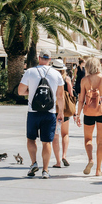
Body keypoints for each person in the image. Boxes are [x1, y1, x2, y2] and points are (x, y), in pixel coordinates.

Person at [18, 50, 64, 179]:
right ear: (50, 59)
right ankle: (45, 170)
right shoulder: (56, 74)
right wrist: (60, 112)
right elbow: (60, 96)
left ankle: (33, 163)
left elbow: (20, 91)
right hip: (50, 113)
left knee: (31, 139)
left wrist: (31, 91)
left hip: (33, 112)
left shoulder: (30, 72)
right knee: (47, 142)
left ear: (39, 58)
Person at [75, 57, 102, 176]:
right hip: (101, 111)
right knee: (100, 140)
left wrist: (78, 114)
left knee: (88, 139)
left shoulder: (84, 80)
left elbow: (81, 99)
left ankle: (90, 160)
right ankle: (98, 170)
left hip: (88, 111)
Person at [50, 59, 73, 169]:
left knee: (55, 136)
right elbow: (71, 94)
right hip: (64, 109)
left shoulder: (50, 78)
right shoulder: (66, 79)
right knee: (65, 134)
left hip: (53, 110)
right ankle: (64, 155)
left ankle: (58, 161)